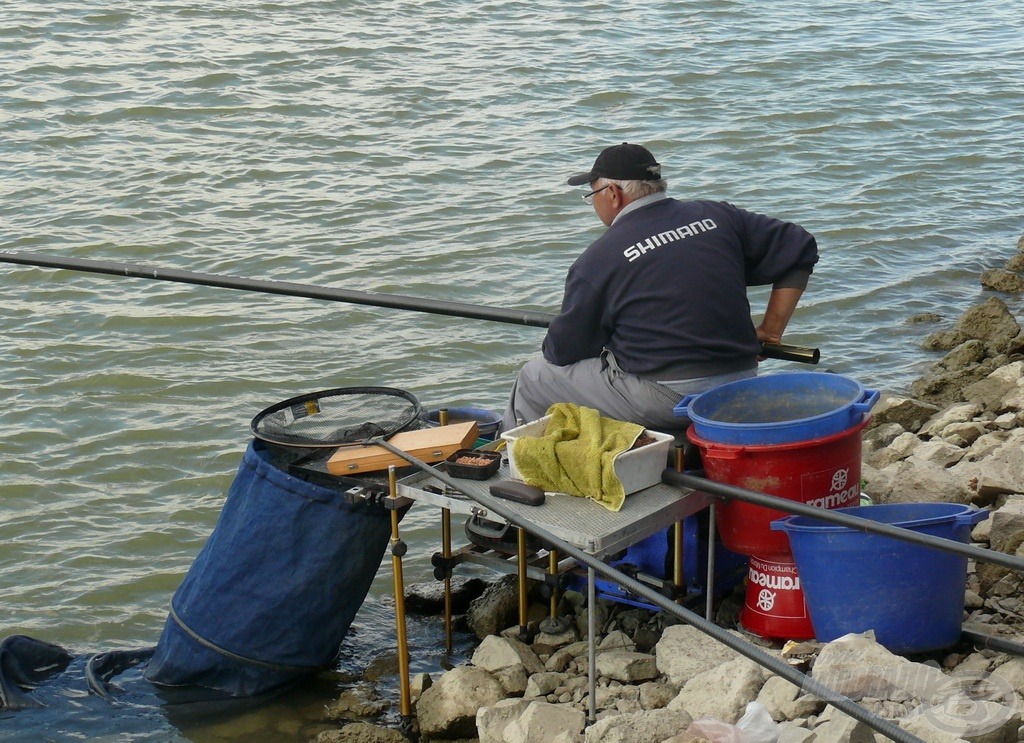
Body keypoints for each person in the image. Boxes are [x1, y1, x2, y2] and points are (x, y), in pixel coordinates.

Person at [501, 142, 819, 435]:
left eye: (591, 194)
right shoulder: (717, 216)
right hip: (741, 380)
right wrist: (770, 330)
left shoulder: (600, 258)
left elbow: (562, 351)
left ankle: (512, 470)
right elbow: (800, 248)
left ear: (613, 193)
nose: (593, 203)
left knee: (535, 377)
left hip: (670, 398)